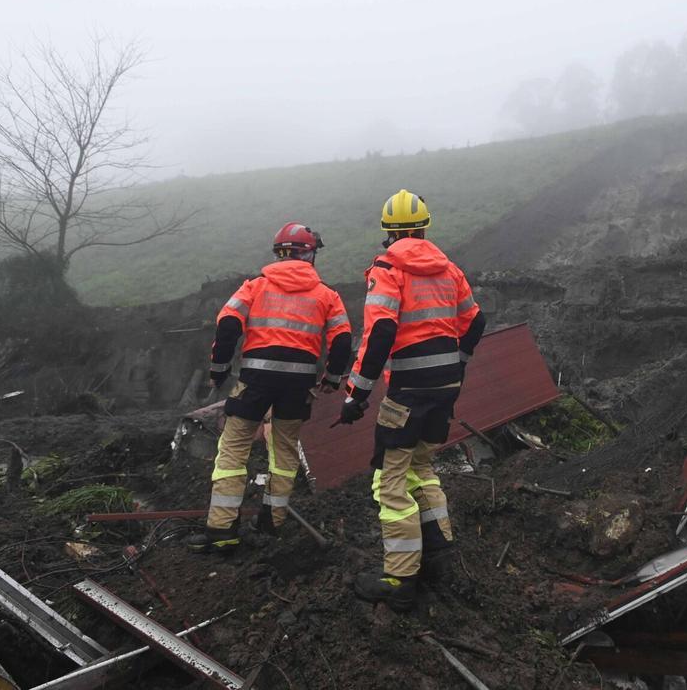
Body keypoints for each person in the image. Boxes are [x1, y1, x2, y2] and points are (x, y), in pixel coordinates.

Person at [339, 189, 486, 611]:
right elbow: (476, 321)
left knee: (391, 480)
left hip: (408, 390)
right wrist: (457, 363)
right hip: (445, 387)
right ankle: (440, 551)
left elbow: (381, 331)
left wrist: (356, 395)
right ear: (424, 227)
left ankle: (400, 579)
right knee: (423, 466)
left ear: (388, 233)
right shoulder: (448, 269)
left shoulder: (387, 269)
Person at [188, 222, 351, 553]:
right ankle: (271, 523)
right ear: (310, 255)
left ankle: (221, 531)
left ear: (279, 253)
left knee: (233, 448)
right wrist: (332, 378)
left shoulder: (254, 287)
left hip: (255, 382)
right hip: (297, 386)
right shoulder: (327, 295)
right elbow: (343, 340)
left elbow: (229, 324)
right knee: (285, 451)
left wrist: (218, 371)